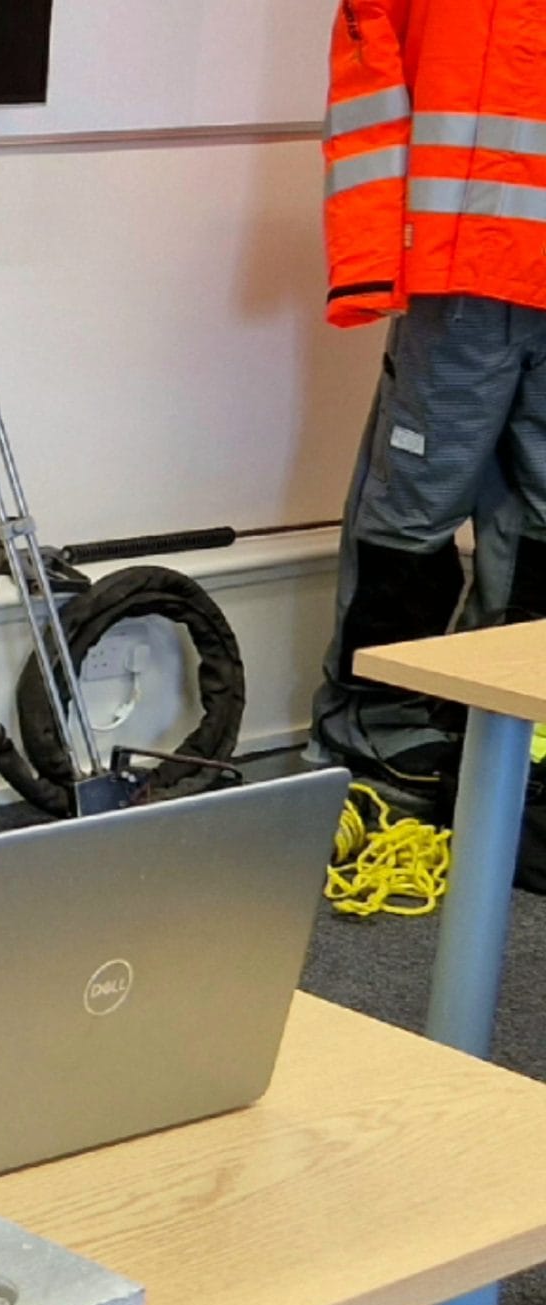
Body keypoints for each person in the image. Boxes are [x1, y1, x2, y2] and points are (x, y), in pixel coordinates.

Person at [313, 0, 546, 798]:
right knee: (412, 510)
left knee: (542, 520)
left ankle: (508, 730)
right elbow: (368, 83)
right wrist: (369, 261)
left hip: (477, 263)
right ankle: (372, 724)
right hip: (460, 272)